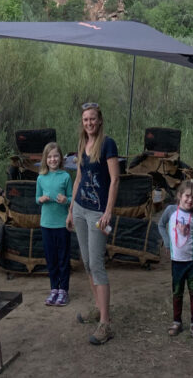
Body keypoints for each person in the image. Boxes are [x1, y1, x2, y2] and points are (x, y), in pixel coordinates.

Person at [66, 102, 120, 345]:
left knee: (97, 264)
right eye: (85, 119)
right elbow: (78, 177)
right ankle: (99, 309)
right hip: (79, 208)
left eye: (92, 119)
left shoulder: (107, 144)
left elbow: (115, 180)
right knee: (86, 263)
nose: (89, 123)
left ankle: (105, 324)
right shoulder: (82, 142)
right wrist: (70, 210)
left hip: (98, 213)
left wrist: (108, 211)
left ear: (100, 120)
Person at [157, 178, 193, 338]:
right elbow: (161, 225)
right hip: (177, 262)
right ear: (179, 195)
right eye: (187, 196)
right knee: (177, 292)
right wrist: (167, 242)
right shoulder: (170, 211)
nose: (190, 200)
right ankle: (177, 321)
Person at [35, 141, 72, 306]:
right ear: (45, 159)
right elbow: (37, 198)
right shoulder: (41, 178)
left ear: (61, 158)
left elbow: (72, 199)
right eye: (49, 157)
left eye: (56, 156)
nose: (53, 159)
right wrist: (40, 199)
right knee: (51, 259)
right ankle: (53, 289)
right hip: (46, 225)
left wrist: (66, 200)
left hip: (62, 225)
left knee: (63, 258)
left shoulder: (65, 176)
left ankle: (64, 290)